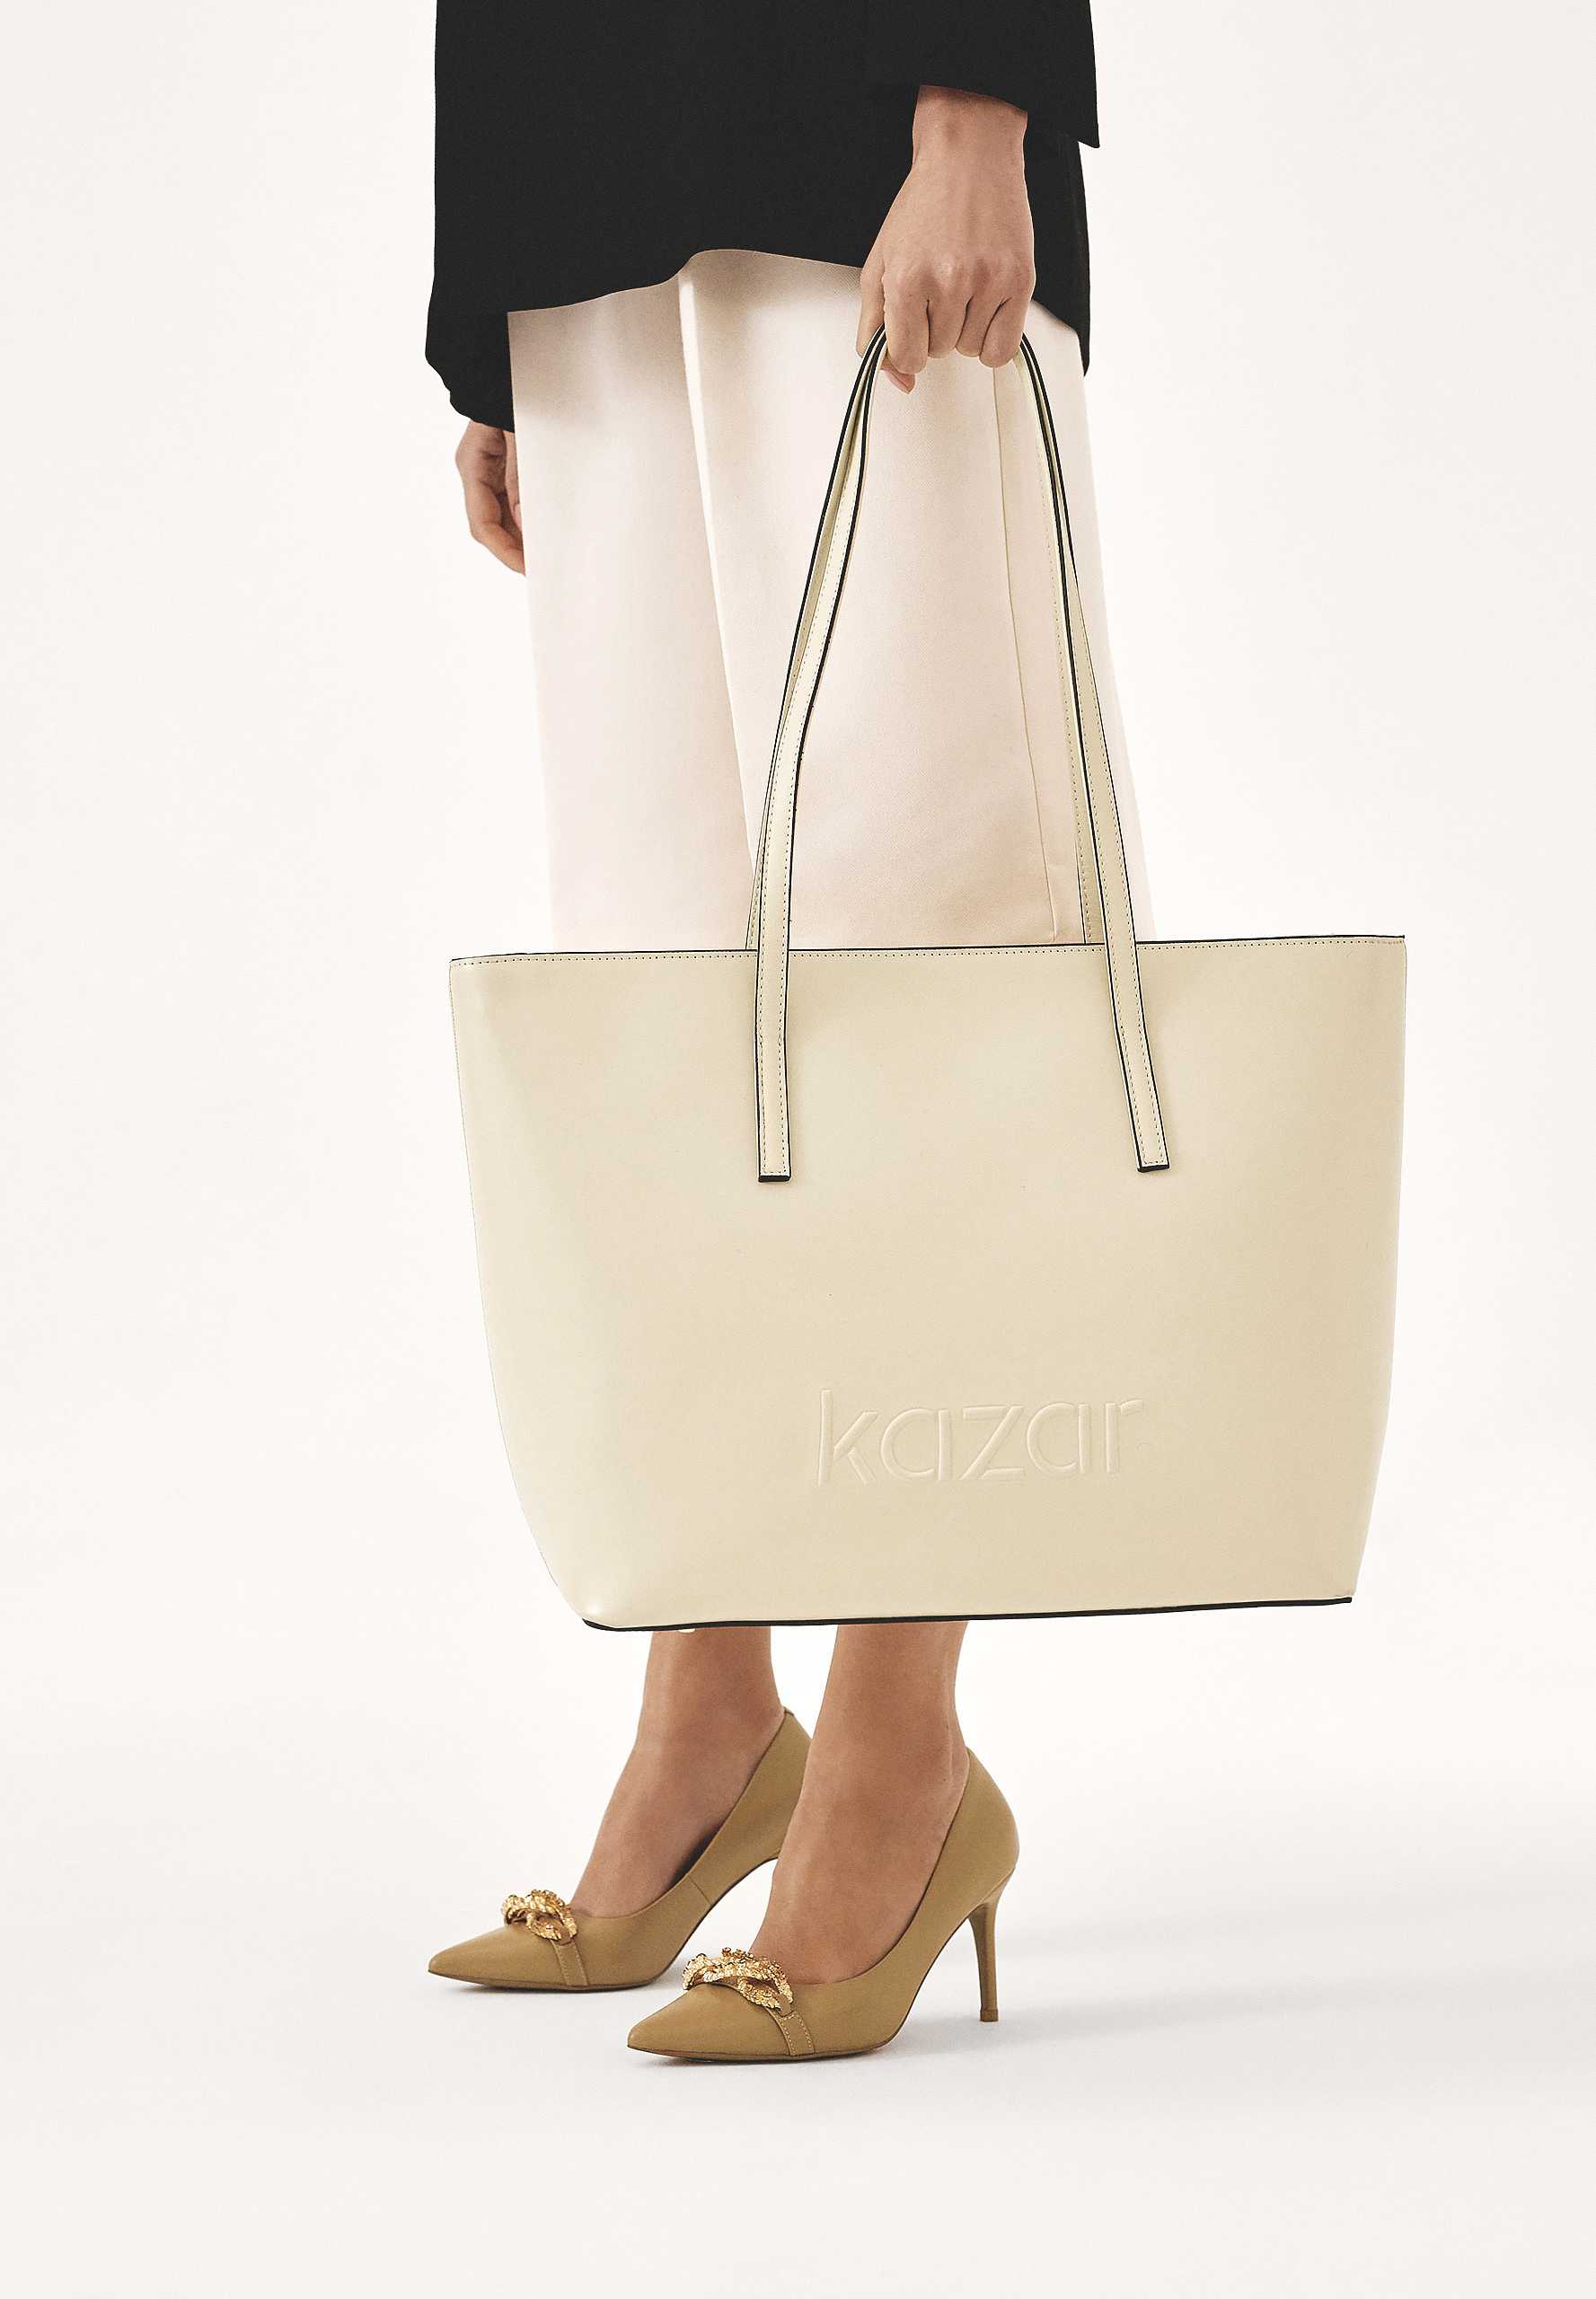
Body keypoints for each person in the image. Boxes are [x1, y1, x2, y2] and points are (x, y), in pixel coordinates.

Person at [427, 4, 1152, 2059]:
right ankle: (713, 1708)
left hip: (859, 157)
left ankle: (900, 1748)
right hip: (575, 189)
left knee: (925, 979)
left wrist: (979, 102)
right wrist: (490, 331)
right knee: (664, 1001)